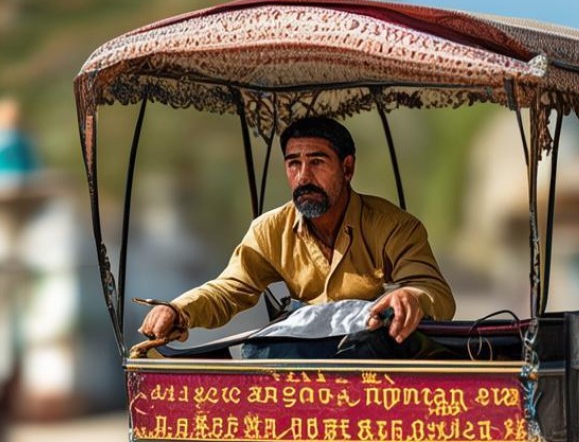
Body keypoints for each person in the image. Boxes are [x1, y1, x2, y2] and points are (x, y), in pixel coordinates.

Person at [138, 116, 455, 346]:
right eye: (293, 163)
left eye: (317, 162)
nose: (303, 177)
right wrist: (178, 310)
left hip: (370, 356)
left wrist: (410, 297)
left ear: (347, 168)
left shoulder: (393, 225)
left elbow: (435, 292)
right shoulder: (270, 229)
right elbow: (229, 289)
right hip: (302, 360)